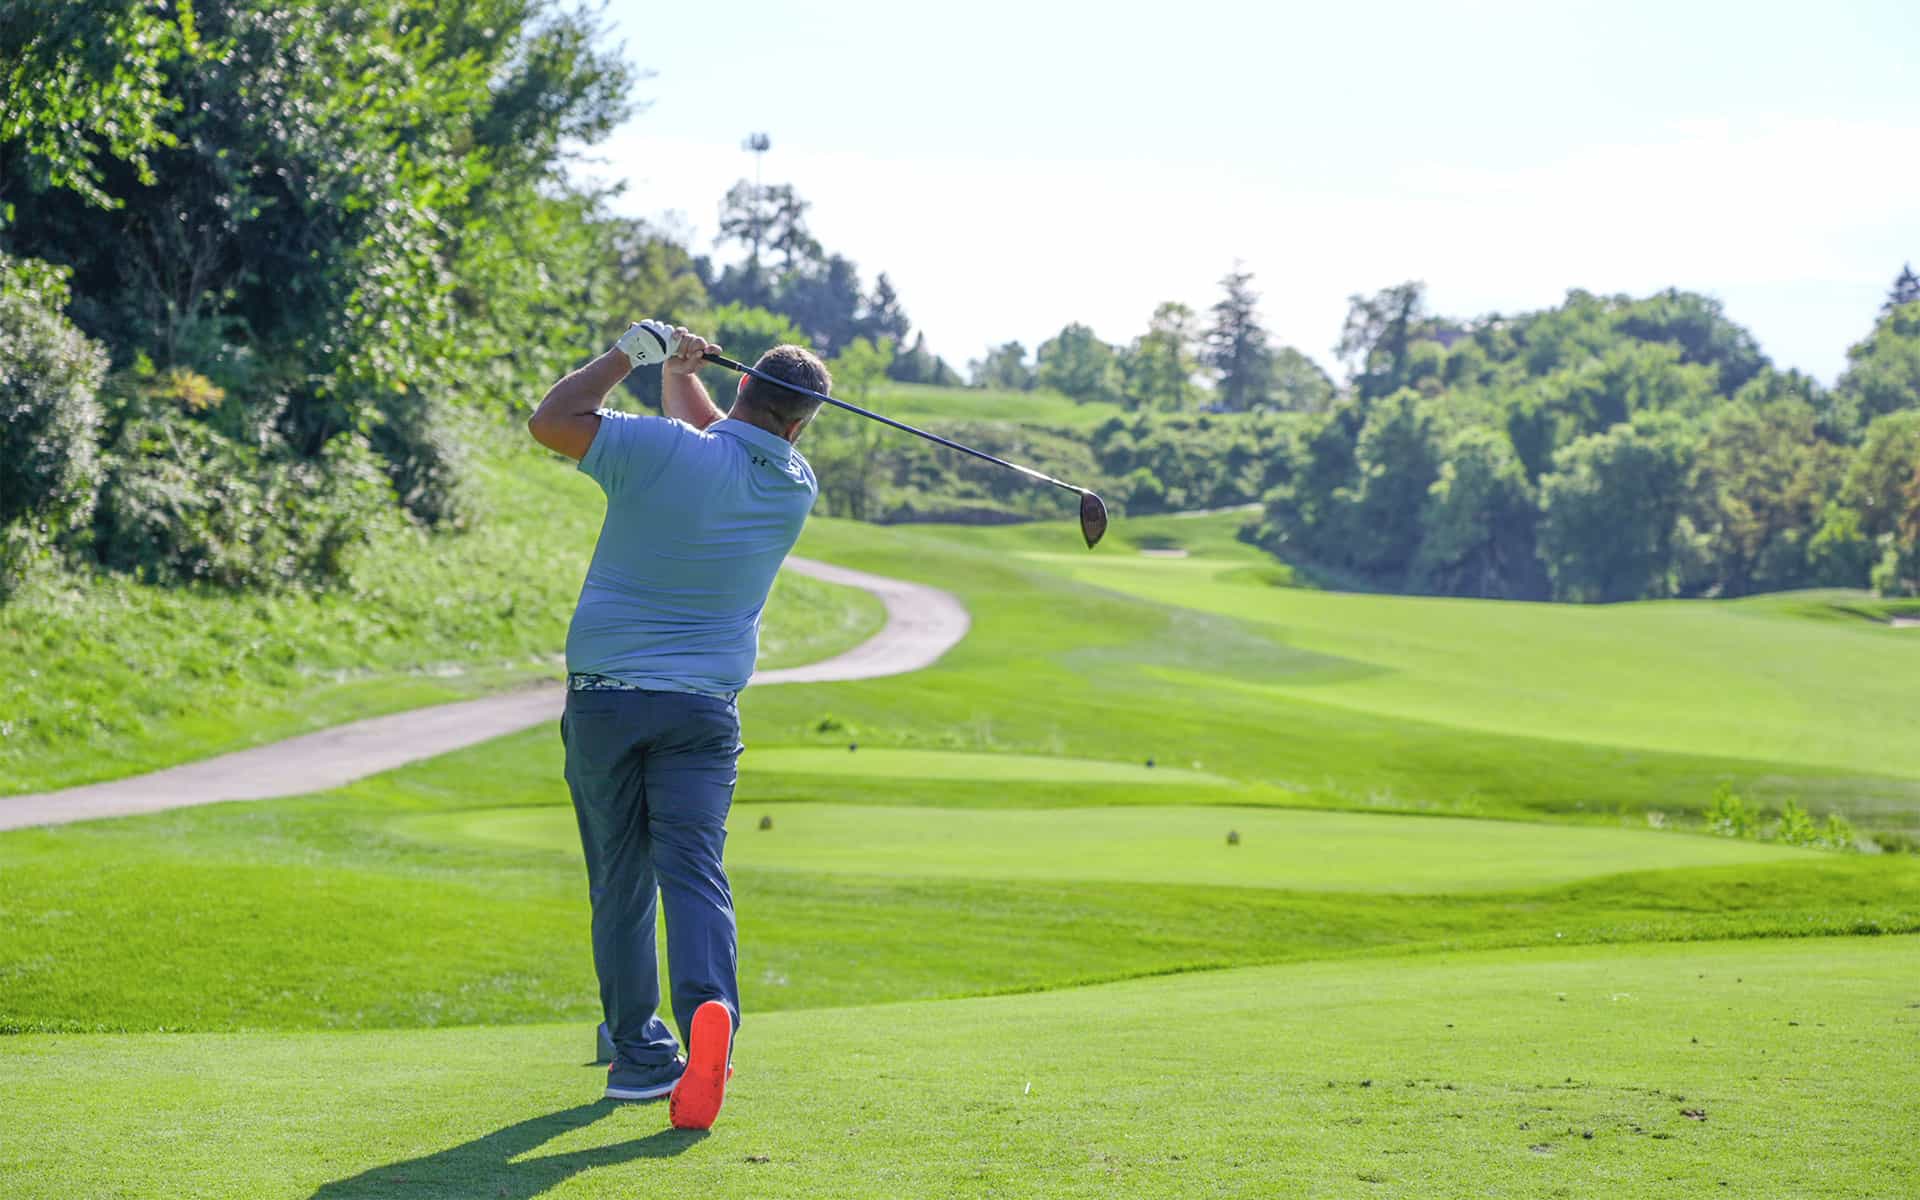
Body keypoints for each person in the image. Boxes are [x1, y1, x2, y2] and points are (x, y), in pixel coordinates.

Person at [526, 320, 830, 1131]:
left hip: (607, 700)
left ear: (742, 385)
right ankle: (710, 1016)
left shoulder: (657, 449)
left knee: (621, 877)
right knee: (694, 870)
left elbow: (552, 421)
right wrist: (680, 374)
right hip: (703, 713)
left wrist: (635, 354)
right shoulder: (793, 484)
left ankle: (639, 1055)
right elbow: (726, 444)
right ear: (800, 425)